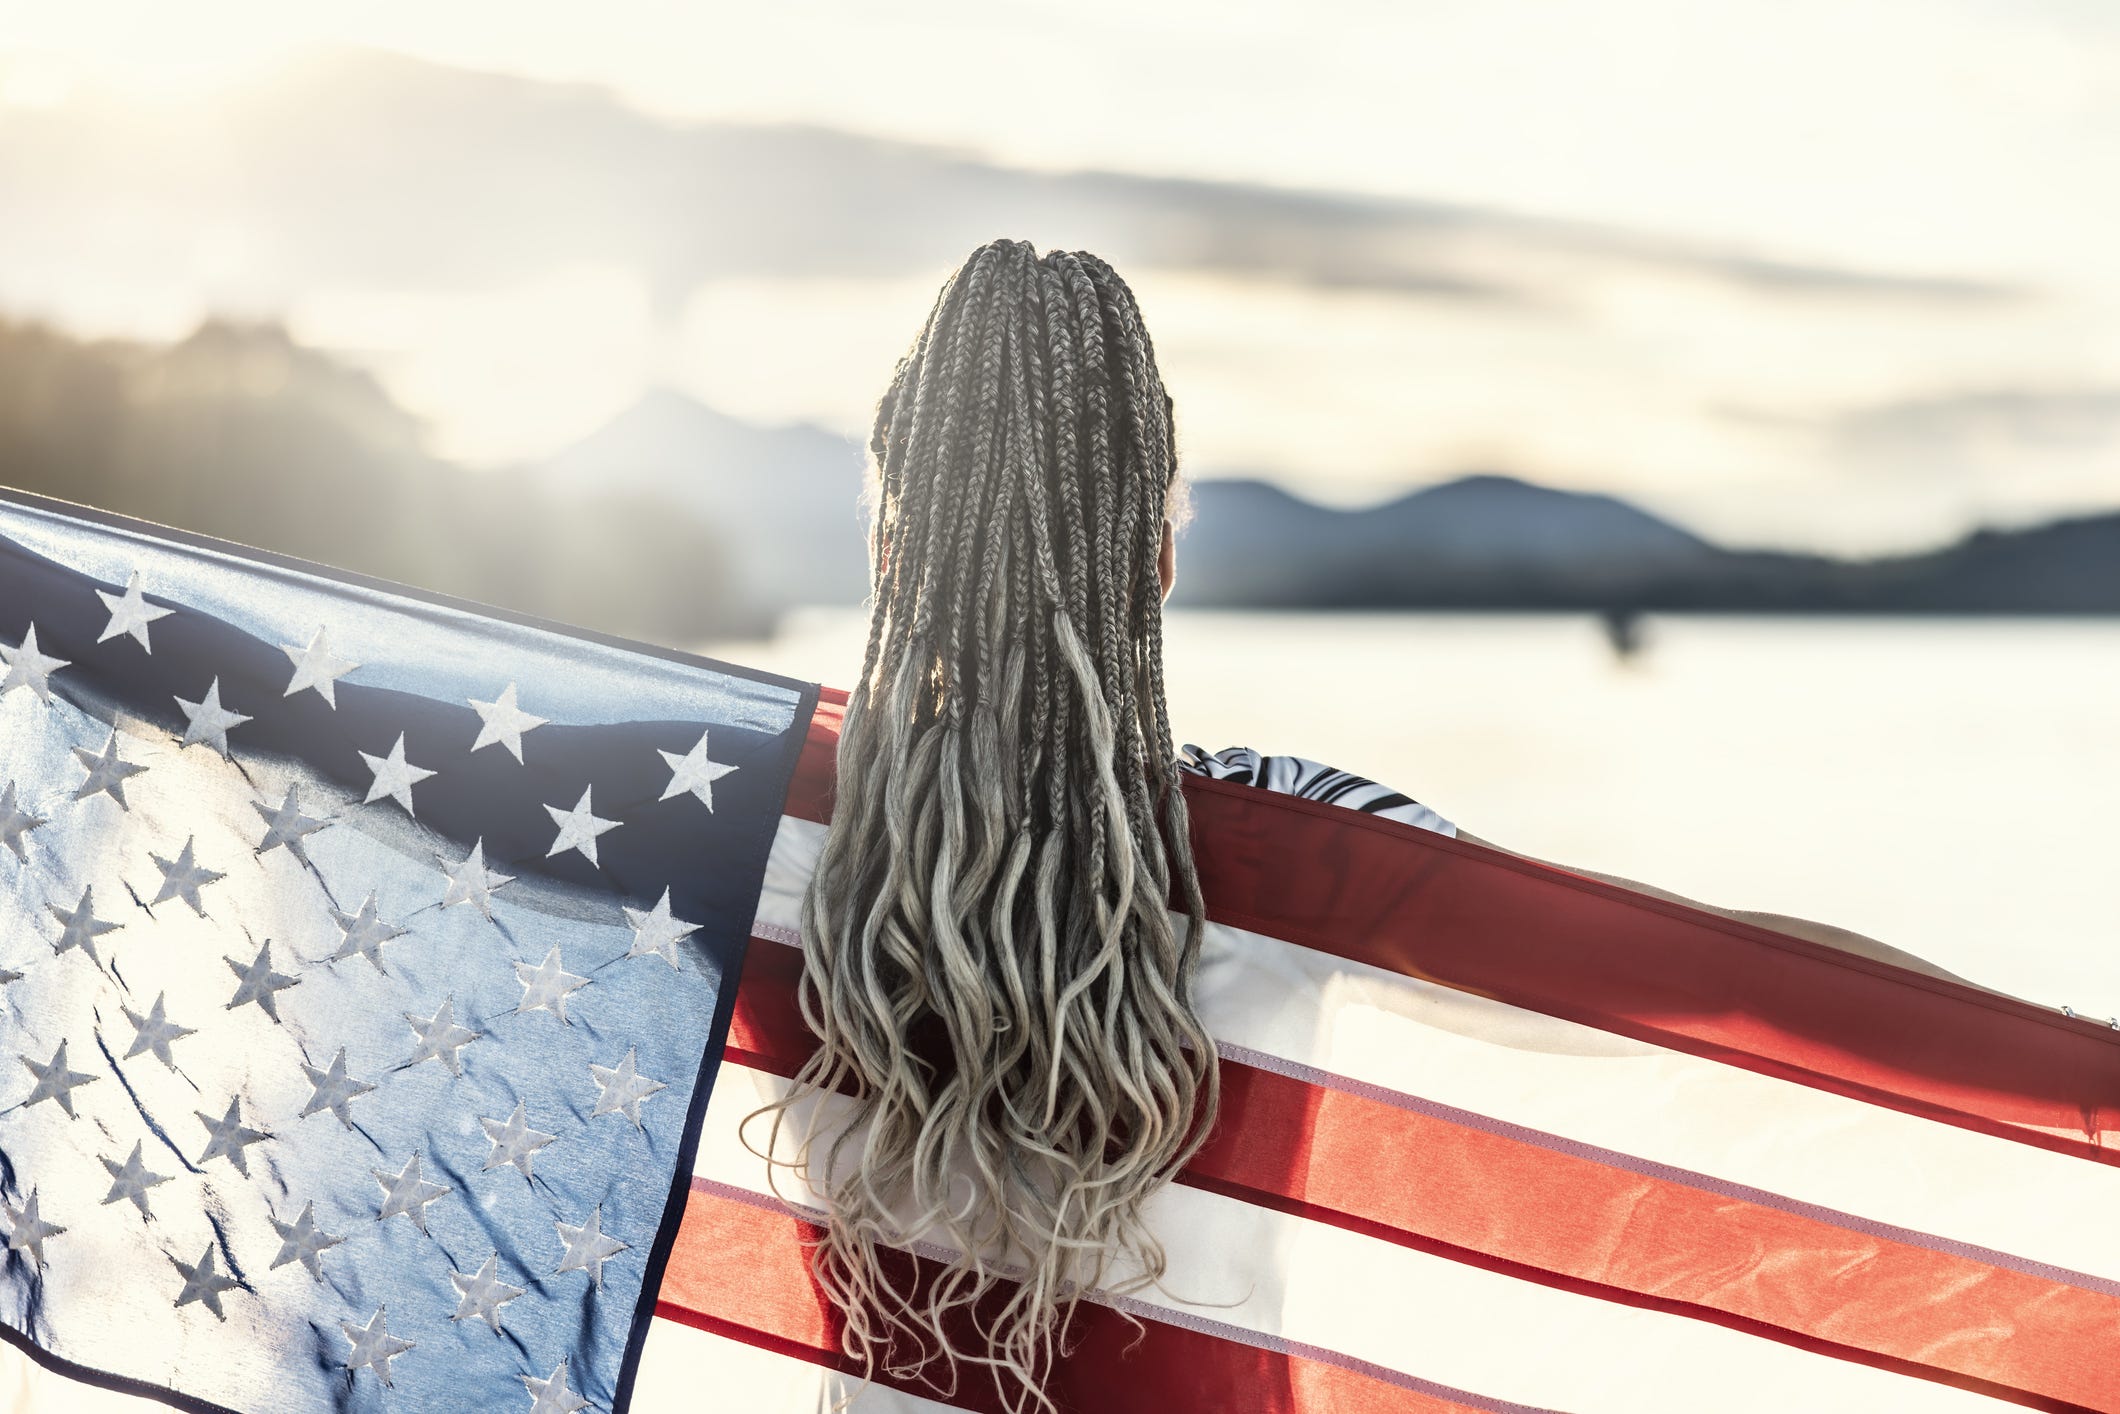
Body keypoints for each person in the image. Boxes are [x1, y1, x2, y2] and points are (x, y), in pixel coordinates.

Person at [752, 238, 1963, 1414]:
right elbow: (1714, 973)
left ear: (886, 548)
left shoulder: (753, 821)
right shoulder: (1300, 845)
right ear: (1159, 559)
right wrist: (2071, 1053)